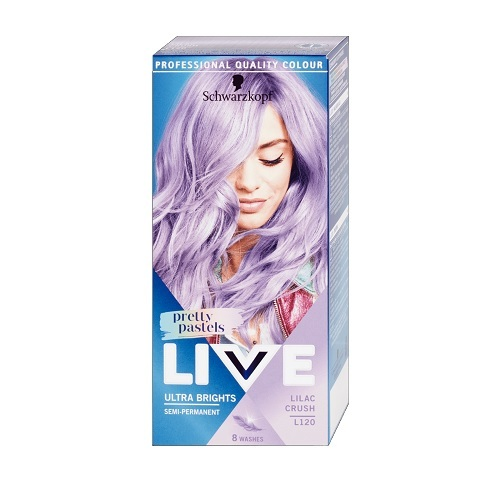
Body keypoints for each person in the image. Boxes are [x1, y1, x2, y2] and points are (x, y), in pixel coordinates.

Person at [153, 58, 327, 350]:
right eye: (229, 161)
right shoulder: (160, 253)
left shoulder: (327, 271)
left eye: (271, 159)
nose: (248, 183)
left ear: (299, 159)